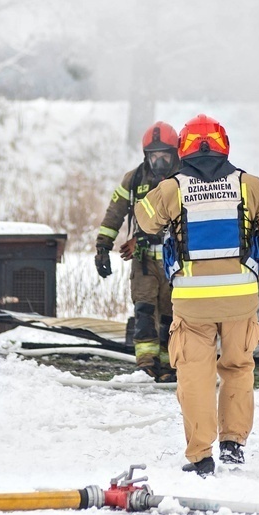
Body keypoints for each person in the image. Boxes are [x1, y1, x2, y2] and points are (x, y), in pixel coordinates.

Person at [134, 114, 259, 476]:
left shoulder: (173, 188)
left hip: (192, 305)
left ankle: (201, 456)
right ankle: (233, 443)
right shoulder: (249, 185)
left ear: (183, 149)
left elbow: (144, 219)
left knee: (195, 376)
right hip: (240, 302)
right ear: (224, 145)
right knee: (237, 368)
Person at [94, 121, 179, 381]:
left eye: (165, 154)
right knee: (143, 311)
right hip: (143, 263)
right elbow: (115, 212)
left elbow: (175, 222)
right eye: (154, 155)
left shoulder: (184, 179)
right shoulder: (134, 179)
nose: (159, 160)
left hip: (174, 263)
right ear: (146, 155)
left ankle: (169, 366)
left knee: (170, 315)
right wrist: (102, 247)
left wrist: (139, 239)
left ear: (175, 153)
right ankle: (145, 364)